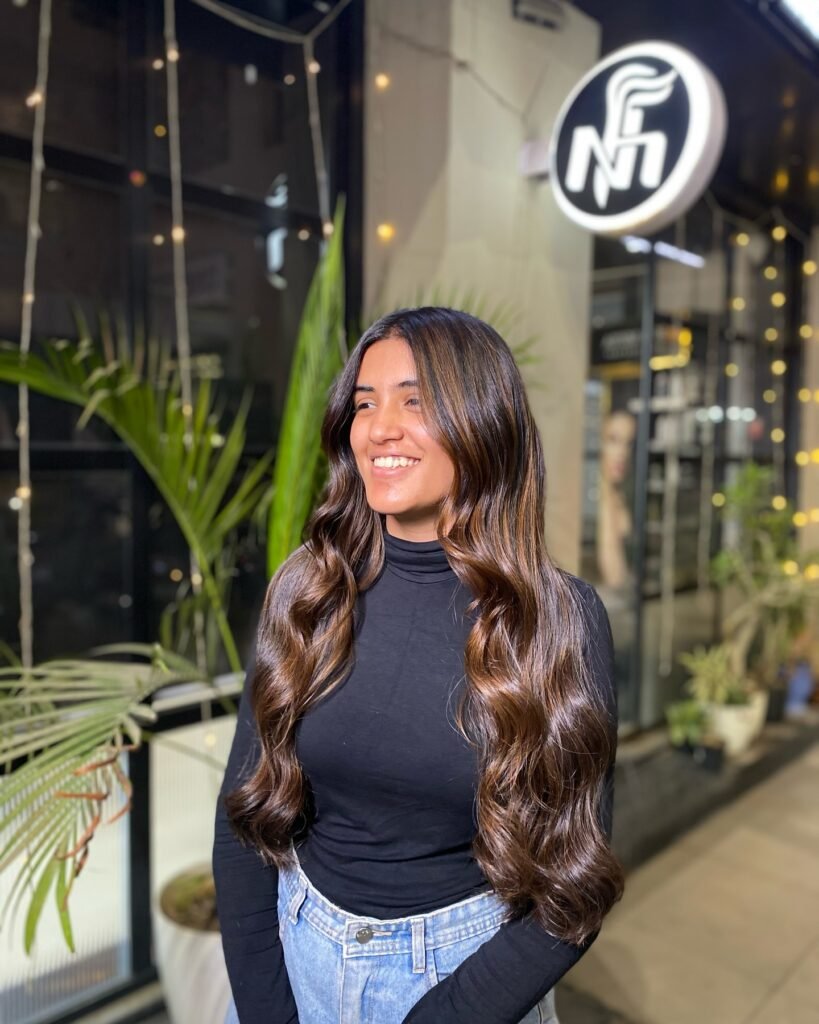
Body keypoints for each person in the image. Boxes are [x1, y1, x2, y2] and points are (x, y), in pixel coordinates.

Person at [213, 307, 625, 1024]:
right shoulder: (307, 589)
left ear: (483, 420)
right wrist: (266, 1010)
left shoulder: (556, 621)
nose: (379, 428)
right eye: (364, 404)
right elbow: (245, 817)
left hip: (466, 980)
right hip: (296, 948)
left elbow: (572, 889)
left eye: (415, 401)